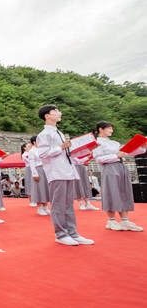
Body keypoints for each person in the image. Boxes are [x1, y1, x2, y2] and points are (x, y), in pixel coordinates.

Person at [36, 105, 94, 245]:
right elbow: (42, 154)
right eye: (56, 111)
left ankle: (72, 233)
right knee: (58, 204)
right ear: (47, 116)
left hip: (67, 171)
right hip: (56, 173)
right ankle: (61, 234)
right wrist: (60, 147)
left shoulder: (59, 133)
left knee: (68, 204)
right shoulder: (44, 135)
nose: (59, 113)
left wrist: (87, 149)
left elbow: (68, 153)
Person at [93, 121, 147, 231]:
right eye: (109, 128)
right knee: (112, 192)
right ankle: (111, 220)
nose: (111, 130)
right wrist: (116, 156)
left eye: (112, 128)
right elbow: (99, 159)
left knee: (124, 191)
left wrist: (141, 147)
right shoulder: (97, 143)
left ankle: (125, 220)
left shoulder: (114, 143)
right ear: (100, 129)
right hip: (109, 167)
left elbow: (127, 153)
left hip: (121, 166)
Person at [28, 135, 51, 215]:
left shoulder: (42, 150)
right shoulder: (31, 151)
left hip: (45, 169)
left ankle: (45, 207)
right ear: (34, 142)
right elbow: (32, 163)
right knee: (39, 188)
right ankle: (40, 208)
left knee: (45, 188)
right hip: (38, 169)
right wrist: (34, 174)